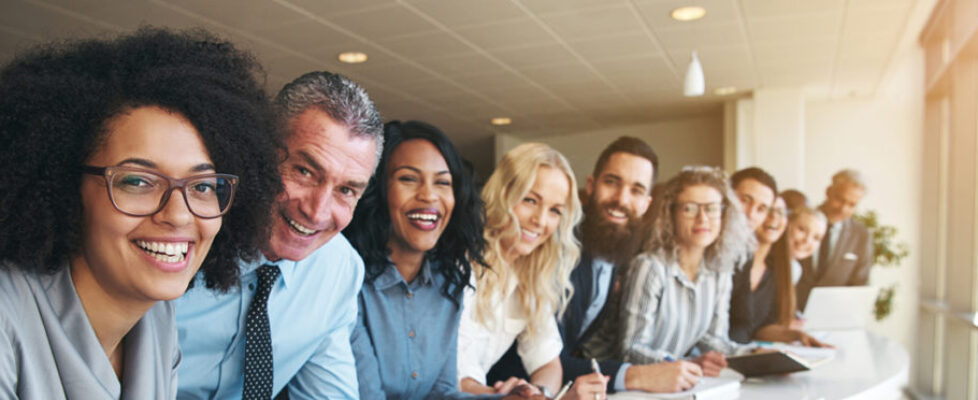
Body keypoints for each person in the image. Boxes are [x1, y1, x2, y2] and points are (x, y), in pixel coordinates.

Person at [0, 28, 280, 399]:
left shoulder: (156, 323)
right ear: (62, 188)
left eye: (203, 186)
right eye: (137, 181)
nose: (178, 215)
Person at [176, 71, 383, 399]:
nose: (317, 212)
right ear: (259, 151)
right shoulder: (181, 234)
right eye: (304, 171)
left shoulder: (339, 269)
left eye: (346, 190)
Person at [489, 136, 703, 394]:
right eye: (612, 183)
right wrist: (634, 375)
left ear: (646, 204)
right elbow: (532, 359)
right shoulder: (548, 247)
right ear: (591, 185)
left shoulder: (618, 253)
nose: (621, 199)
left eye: (636, 190)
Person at [344, 121, 487, 399]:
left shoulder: (450, 283)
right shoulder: (349, 278)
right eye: (408, 179)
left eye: (443, 182)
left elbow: (441, 392)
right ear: (379, 190)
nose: (429, 195)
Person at [457, 143, 605, 400]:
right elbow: (451, 378)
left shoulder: (530, 274)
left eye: (555, 210)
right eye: (530, 200)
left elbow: (547, 363)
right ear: (503, 193)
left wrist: (540, 392)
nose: (541, 220)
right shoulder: (459, 264)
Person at [583, 166, 754, 378]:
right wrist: (686, 363)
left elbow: (711, 338)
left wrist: (752, 353)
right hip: (620, 385)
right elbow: (631, 350)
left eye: (711, 208)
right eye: (690, 208)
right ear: (671, 214)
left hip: (674, 384)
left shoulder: (720, 271)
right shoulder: (650, 267)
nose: (703, 219)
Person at [728, 198, 829, 347]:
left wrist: (796, 335)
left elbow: (760, 325)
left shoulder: (792, 269)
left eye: (816, 238)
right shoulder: (751, 260)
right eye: (801, 230)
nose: (807, 240)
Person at [796, 169, 873, 309]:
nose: (843, 209)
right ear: (828, 192)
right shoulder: (799, 220)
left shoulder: (861, 235)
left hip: (833, 315)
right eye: (840, 200)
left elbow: (859, 285)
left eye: (852, 205)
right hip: (790, 312)